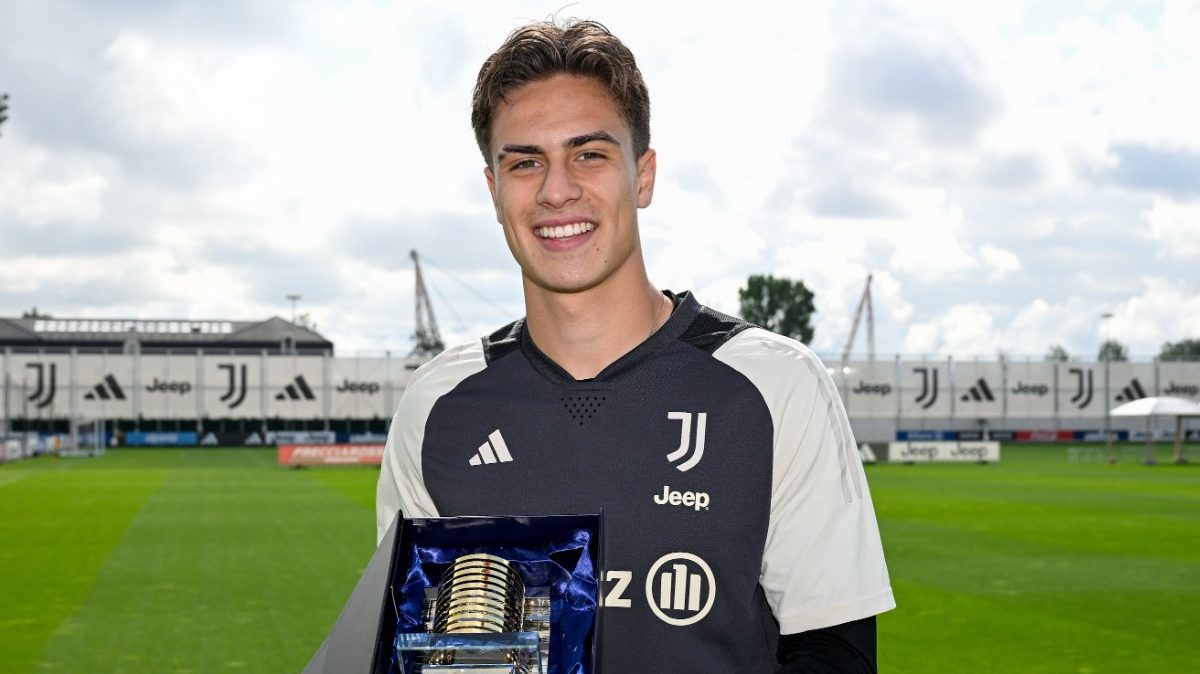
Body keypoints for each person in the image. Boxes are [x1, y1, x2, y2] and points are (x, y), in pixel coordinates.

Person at [377, 19, 894, 673]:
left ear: (642, 176)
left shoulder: (775, 384)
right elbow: (426, 650)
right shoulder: (437, 408)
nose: (556, 189)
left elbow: (837, 654)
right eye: (525, 162)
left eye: (589, 154)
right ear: (494, 191)